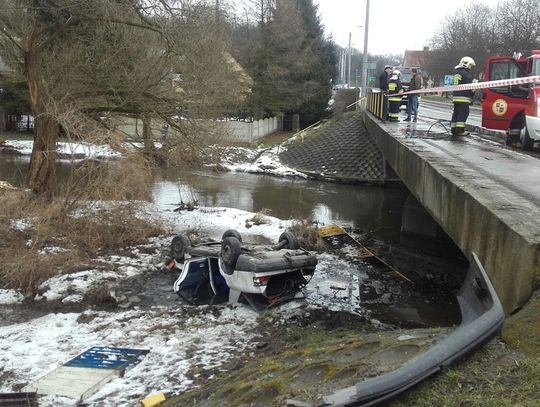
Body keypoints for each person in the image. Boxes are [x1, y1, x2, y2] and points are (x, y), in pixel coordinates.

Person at [451, 56, 476, 136]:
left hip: (456, 96)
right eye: (470, 65)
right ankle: (460, 130)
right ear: (466, 64)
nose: (470, 68)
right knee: (463, 113)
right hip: (464, 97)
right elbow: (472, 83)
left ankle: (454, 129)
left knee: (456, 113)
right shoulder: (465, 73)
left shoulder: (456, 72)